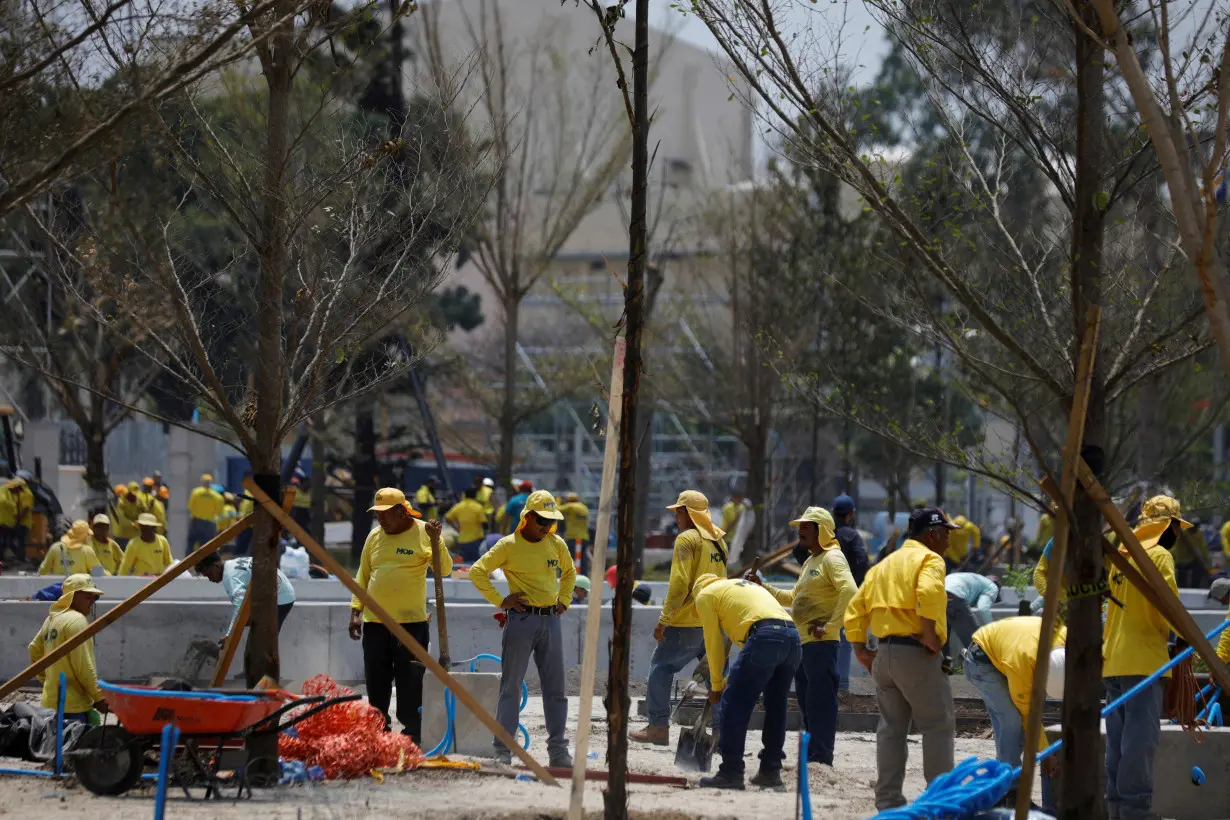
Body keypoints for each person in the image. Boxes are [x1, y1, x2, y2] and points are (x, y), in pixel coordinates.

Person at [844, 507, 956, 811]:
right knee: (937, 725)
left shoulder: (884, 564)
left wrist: (859, 648)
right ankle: (940, 802)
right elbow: (929, 592)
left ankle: (888, 801)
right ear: (932, 534)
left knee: (892, 730)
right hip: (916, 653)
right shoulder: (930, 559)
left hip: (884, 655)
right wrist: (930, 634)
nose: (948, 541)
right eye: (945, 534)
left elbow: (855, 608)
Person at [469, 490, 575, 767]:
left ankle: (558, 751)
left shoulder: (556, 544)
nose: (545, 527)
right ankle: (502, 749)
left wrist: (564, 600)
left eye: (550, 522)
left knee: (556, 689)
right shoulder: (508, 546)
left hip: (550, 619)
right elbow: (477, 571)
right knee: (511, 686)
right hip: (522, 621)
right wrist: (501, 600)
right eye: (541, 520)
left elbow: (570, 572)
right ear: (527, 517)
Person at [754, 506, 856, 767]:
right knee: (807, 701)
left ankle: (822, 756)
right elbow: (794, 598)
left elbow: (850, 590)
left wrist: (832, 625)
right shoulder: (812, 560)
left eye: (806, 526)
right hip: (804, 643)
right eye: (800, 526)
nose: (800, 530)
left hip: (821, 641)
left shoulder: (833, 558)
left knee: (821, 701)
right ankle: (813, 755)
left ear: (821, 531)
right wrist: (763, 587)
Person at [1103, 494, 1183, 820]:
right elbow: (1170, 609)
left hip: (1114, 661)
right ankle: (1136, 813)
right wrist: (1181, 639)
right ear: (1170, 527)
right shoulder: (1160, 556)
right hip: (1144, 662)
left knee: (1117, 744)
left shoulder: (1122, 555)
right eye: (1177, 527)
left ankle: (1116, 811)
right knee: (1139, 743)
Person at [349, 487, 449, 743]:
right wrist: (355, 610)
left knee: (410, 681)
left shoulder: (425, 532)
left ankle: (413, 731)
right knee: (376, 680)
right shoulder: (374, 537)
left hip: (411, 623)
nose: (380, 519)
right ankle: (378, 728)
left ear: (402, 512)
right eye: (377, 513)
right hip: (375, 623)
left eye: (385, 513)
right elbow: (363, 575)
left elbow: (445, 569)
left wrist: (437, 540)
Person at [630, 490, 729, 745]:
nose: (675, 517)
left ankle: (658, 727)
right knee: (717, 677)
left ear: (688, 513)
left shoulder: (687, 539)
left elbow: (679, 583)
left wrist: (664, 619)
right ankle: (723, 733)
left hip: (687, 621)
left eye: (678, 512)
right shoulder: (719, 541)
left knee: (661, 669)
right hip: (715, 621)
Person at [693, 574, 801, 790]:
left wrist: (716, 686)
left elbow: (713, 644)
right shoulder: (740, 588)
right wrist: (723, 680)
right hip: (792, 638)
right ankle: (771, 770)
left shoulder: (705, 595)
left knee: (734, 704)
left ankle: (731, 771)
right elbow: (747, 656)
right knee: (776, 706)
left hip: (764, 636)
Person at [962, 616, 1064, 814]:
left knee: (1017, 727)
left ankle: (1006, 786)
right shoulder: (1022, 663)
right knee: (1011, 721)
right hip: (982, 661)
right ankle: (1010, 794)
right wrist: (1046, 754)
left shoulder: (1067, 640)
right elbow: (1029, 714)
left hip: (1007, 649)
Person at [28, 574, 107, 723]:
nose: (92, 602)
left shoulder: (52, 618)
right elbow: (83, 666)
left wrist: (48, 680)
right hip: (72, 706)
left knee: (54, 745)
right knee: (73, 744)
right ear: (72, 596)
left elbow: (34, 649)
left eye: (94, 598)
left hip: (50, 703)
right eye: (88, 597)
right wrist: (99, 697)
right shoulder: (77, 621)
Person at [197, 552, 296, 654]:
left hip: (280, 599)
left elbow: (240, 608)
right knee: (248, 624)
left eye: (209, 574)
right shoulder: (232, 564)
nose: (210, 579)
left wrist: (229, 636)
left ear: (216, 565)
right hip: (279, 590)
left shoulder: (230, 578)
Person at [831, 494, 868, 692]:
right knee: (844, 640)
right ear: (851, 514)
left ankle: (825, 684)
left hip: (825, 593)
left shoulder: (825, 534)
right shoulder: (852, 536)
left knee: (825, 638)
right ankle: (842, 686)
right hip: (846, 593)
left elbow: (800, 552)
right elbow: (862, 560)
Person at [944, 572, 999, 655]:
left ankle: (945, 664)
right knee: (975, 640)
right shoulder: (992, 587)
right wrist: (993, 631)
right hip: (955, 594)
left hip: (940, 594)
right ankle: (979, 664)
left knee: (943, 637)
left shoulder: (975, 579)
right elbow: (983, 608)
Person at [39, 520, 107, 576]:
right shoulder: (87, 551)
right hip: (79, 589)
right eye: (87, 534)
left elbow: (42, 570)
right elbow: (99, 573)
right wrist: (111, 576)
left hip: (58, 589)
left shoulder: (55, 547)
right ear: (84, 536)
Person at [446, 488, 488, 563]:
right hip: (476, 540)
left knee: (465, 563)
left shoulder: (459, 506)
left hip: (462, 540)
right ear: (475, 496)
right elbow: (484, 524)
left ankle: (463, 574)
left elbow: (448, 518)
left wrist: (457, 528)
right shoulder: (478, 507)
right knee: (476, 563)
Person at [186, 474, 224, 556]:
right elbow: (220, 512)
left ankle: (187, 562)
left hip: (196, 522)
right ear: (210, 482)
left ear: (202, 482)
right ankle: (206, 563)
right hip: (209, 523)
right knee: (207, 546)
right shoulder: (216, 496)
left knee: (191, 543)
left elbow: (190, 506)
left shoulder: (196, 492)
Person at [0, 476, 34, 564]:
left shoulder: (27, 494)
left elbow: (25, 509)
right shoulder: (12, 493)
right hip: (13, 521)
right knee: (8, 540)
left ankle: (20, 557)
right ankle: (18, 556)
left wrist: (18, 519)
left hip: (22, 523)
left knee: (17, 540)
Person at [558, 492, 590, 572]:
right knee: (582, 560)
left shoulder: (570, 506)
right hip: (584, 537)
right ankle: (583, 577)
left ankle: (571, 577)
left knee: (570, 559)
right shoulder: (584, 508)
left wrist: (558, 500)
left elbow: (557, 509)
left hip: (574, 538)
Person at [113, 483, 142, 547]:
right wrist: (134, 525)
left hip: (135, 536)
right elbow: (121, 519)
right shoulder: (121, 503)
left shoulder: (139, 502)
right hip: (122, 536)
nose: (134, 496)